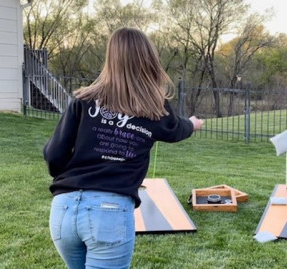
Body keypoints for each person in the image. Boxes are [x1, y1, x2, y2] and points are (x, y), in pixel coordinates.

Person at [43, 27, 203, 269]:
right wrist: (192, 124)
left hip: (63, 208)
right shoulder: (154, 107)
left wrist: (72, 180)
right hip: (109, 210)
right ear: (148, 59)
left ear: (111, 58)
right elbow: (176, 130)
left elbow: (54, 154)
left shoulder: (83, 100)